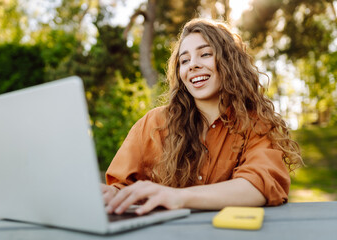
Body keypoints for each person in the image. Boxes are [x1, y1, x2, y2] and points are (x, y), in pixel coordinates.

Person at [101, 18, 303, 216]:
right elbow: (122, 185)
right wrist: (113, 193)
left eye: (204, 54)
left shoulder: (256, 124)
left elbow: (259, 185)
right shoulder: (154, 123)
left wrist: (177, 197)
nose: (192, 65)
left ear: (229, 61)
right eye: (184, 60)